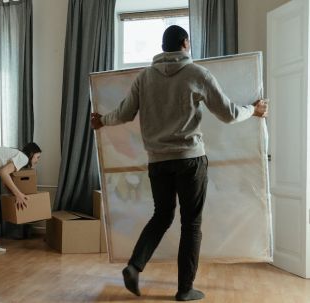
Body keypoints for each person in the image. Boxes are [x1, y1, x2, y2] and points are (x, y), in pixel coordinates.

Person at [90, 25, 268, 301]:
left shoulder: (144, 78)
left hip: (157, 163)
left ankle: (134, 266)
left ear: (163, 47)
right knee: (191, 224)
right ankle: (185, 289)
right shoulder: (197, 74)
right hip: (190, 161)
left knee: (162, 215)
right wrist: (253, 110)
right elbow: (229, 114)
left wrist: (102, 121)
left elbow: (124, 114)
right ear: (185, 43)